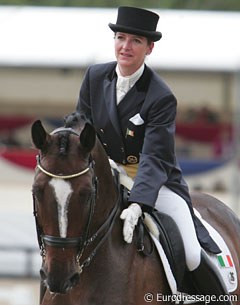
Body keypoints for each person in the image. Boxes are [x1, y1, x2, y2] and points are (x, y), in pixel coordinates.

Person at [76, 6, 232, 304]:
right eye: (120, 37)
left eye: (135, 41)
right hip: (105, 177)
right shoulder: (95, 77)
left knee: (189, 252)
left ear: (150, 48)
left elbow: (155, 157)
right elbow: (81, 127)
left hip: (154, 183)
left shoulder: (161, 96)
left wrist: (138, 203)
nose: (125, 46)